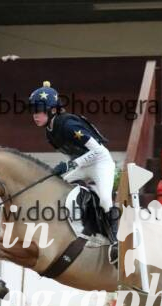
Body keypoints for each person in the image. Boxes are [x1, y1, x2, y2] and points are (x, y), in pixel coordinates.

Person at [28, 81, 118, 263]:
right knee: (54, 186)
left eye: (39, 110)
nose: (35, 115)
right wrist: (65, 169)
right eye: (33, 110)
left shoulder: (68, 125)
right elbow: (75, 153)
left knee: (105, 199)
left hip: (101, 163)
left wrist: (70, 165)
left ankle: (116, 241)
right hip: (83, 165)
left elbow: (98, 150)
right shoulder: (49, 132)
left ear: (53, 110)